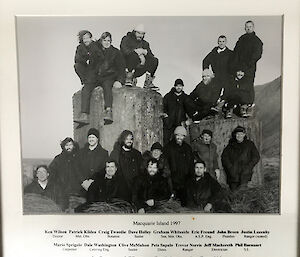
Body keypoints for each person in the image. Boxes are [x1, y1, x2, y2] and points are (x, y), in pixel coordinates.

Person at [231, 20, 263, 116]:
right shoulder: (241, 39)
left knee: (248, 84)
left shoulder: (257, 41)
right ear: (245, 28)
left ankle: (249, 107)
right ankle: (242, 107)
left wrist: (246, 67)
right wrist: (236, 67)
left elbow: (256, 55)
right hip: (239, 68)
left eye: (250, 26)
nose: (248, 28)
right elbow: (235, 53)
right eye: (247, 27)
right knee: (240, 85)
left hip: (249, 67)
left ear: (253, 27)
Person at [74, 30, 103, 124]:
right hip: (88, 73)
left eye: (88, 37)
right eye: (84, 38)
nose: (86, 40)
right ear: (81, 39)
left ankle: (84, 114)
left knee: (86, 89)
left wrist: (90, 58)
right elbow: (77, 59)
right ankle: (85, 81)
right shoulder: (80, 48)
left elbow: (100, 58)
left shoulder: (96, 46)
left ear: (91, 38)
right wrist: (87, 57)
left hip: (97, 72)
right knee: (77, 65)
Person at [120, 24, 159, 89]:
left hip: (139, 67)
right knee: (133, 55)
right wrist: (137, 51)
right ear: (134, 32)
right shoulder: (126, 39)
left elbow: (151, 56)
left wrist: (145, 52)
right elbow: (124, 50)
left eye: (142, 34)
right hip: (126, 65)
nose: (140, 35)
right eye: (138, 33)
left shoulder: (145, 43)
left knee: (154, 60)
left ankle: (148, 82)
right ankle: (128, 78)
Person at [221, 126, 260, 191]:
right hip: (233, 174)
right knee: (234, 193)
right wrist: (230, 167)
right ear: (235, 135)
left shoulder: (249, 144)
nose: (239, 136)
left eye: (241, 134)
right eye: (237, 134)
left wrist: (248, 167)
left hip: (245, 173)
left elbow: (256, 157)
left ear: (244, 135)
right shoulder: (230, 145)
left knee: (243, 192)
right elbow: (224, 157)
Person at [48, 137, 82, 210]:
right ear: (63, 146)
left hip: (76, 193)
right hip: (62, 193)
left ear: (74, 146)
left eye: (70, 145)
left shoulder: (78, 158)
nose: (69, 147)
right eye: (66, 145)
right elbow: (51, 174)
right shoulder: (58, 159)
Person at [163, 126, 194, 206]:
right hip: (173, 180)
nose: (179, 137)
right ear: (175, 135)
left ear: (184, 137)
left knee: (185, 204)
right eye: (178, 135)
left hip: (185, 180)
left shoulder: (188, 148)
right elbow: (165, 164)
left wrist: (191, 178)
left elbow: (191, 164)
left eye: (182, 135)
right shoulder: (168, 147)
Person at [110, 130, 143, 201]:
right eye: (127, 139)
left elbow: (141, 172)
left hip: (135, 190)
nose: (129, 141)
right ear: (122, 139)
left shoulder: (137, 154)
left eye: (131, 139)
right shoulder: (116, 153)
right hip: (120, 191)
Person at [162, 78, 194, 145]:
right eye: (177, 86)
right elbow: (163, 107)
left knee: (179, 142)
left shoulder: (186, 98)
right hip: (169, 124)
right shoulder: (168, 96)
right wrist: (166, 117)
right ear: (174, 86)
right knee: (167, 142)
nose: (178, 87)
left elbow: (191, 111)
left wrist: (188, 121)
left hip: (180, 124)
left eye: (180, 86)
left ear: (182, 87)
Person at [78, 128, 109, 193]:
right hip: (83, 186)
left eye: (93, 137)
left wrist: (93, 181)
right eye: (89, 137)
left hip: (97, 185)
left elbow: (104, 169)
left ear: (97, 138)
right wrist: (84, 181)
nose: (91, 139)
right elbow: (78, 168)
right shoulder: (81, 152)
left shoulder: (104, 153)